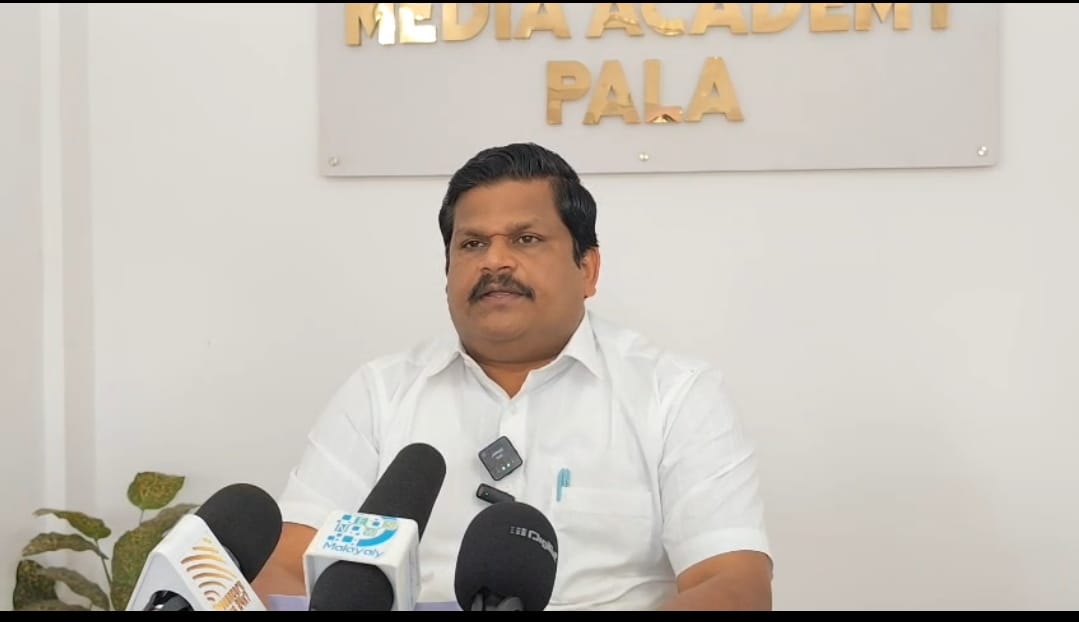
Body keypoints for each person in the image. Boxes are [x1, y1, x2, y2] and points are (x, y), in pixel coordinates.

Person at [251, 142, 773, 611]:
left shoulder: (675, 394)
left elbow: (734, 586)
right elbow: (287, 568)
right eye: (472, 245)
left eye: (526, 239)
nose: (495, 261)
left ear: (587, 270)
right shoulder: (379, 393)